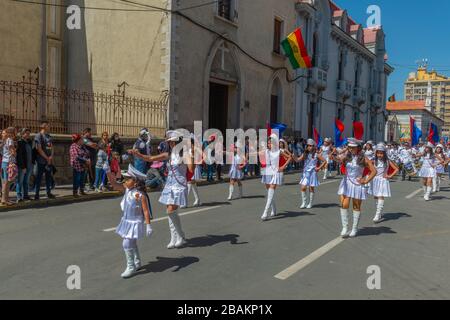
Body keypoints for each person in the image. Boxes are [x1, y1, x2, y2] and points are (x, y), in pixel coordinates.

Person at [130, 130, 194, 249]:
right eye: (170, 142)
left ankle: (181, 236)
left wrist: (190, 155)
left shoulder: (185, 154)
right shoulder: (168, 155)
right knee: (170, 212)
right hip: (169, 185)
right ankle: (173, 237)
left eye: (173, 142)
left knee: (170, 211)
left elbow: (190, 169)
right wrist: (138, 155)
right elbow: (150, 158)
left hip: (179, 185)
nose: (171, 144)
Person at [108, 164, 153, 279]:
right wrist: (107, 171)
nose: (125, 180)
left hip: (135, 222)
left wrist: (148, 225)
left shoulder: (140, 195)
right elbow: (113, 184)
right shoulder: (127, 190)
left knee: (127, 243)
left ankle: (131, 266)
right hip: (127, 221)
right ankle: (137, 262)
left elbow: (146, 211)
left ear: (136, 182)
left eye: (128, 179)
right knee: (131, 242)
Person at [333, 138, 376, 238]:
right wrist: (334, 154)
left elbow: (374, 171)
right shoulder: (347, 156)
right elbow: (337, 160)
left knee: (356, 206)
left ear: (358, 148)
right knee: (344, 204)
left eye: (353, 147)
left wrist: (365, 180)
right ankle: (345, 227)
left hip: (357, 184)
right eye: (349, 147)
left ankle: (354, 228)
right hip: (346, 182)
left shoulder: (363, 158)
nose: (350, 149)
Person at [259, 134, 291, 221]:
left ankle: (265, 212)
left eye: (270, 143)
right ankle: (274, 208)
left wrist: (283, 167)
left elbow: (289, 158)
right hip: (267, 171)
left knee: (271, 191)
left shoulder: (279, 151)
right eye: (268, 143)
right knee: (269, 193)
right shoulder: (266, 151)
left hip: (276, 172)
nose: (268, 145)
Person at [368, 143, 399, 223]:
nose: (379, 155)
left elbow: (396, 169)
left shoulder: (387, 161)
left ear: (384, 153)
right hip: (374, 180)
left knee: (380, 196)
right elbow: (367, 168)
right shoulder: (373, 160)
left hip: (382, 180)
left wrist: (389, 176)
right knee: (375, 196)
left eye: (381, 153)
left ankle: (377, 214)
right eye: (378, 153)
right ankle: (379, 211)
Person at [293, 139, 327, 209]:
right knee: (303, 187)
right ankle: (304, 202)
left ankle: (310, 203)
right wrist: (293, 157)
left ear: (313, 147)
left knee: (311, 188)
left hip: (313, 173)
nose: (309, 147)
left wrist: (319, 168)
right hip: (305, 173)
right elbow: (297, 160)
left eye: (311, 146)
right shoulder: (305, 154)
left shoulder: (316, 155)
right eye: (308, 146)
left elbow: (325, 161)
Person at [33, 122, 55, 200]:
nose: (49, 127)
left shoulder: (49, 136)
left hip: (48, 160)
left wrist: (51, 157)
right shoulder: (38, 136)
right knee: (38, 177)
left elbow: (52, 147)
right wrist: (47, 158)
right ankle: (36, 194)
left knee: (48, 177)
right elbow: (39, 149)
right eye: (48, 126)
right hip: (41, 160)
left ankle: (48, 192)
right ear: (44, 127)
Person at [16, 128, 33, 202]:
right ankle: (19, 196)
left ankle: (25, 195)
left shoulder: (29, 142)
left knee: (26, 181)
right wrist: (23, 167)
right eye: (27, 133)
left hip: (29, 165)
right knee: (20, 181)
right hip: (22, 166)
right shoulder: (20, 142)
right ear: (22, 134)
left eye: (29, 133)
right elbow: (19, 156)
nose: (28, 135)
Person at [2, 128, 17, 205]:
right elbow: (12, 152)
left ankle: (6, 199)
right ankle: (5, 199)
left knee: (6, 181)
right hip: (8, 162)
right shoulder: (10, 140)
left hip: (5, 162)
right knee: (7, 182)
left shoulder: (6, 140)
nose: (16, 133)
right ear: (12, 132)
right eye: (15, 131)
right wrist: (15, 152)